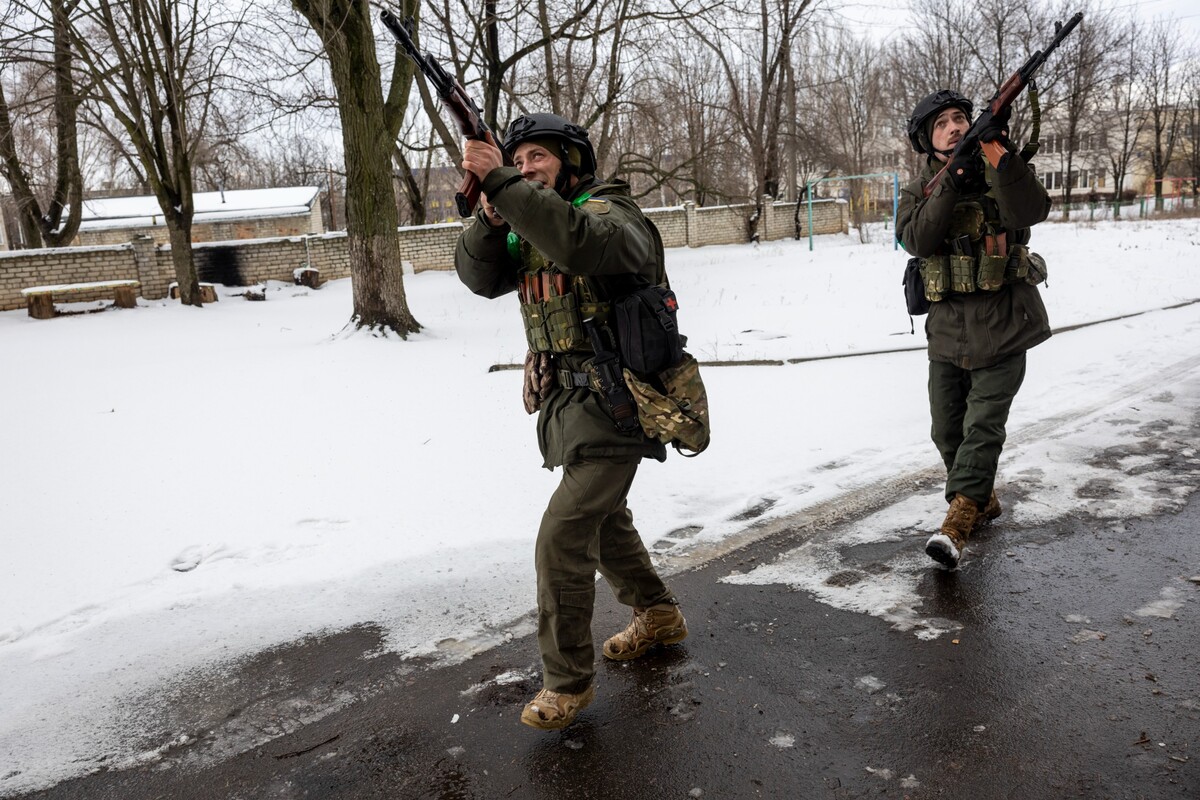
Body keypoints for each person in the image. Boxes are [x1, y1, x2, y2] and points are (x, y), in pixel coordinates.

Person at [454, 113, 688, 730]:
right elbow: (478, 277)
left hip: (623, 404)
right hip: (569, 409)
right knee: (605, 523)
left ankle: (568, 681)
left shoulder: (611, 216)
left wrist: (501, 182)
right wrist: (489, 215)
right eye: (518, 159)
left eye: (537, 157)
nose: (526, 168)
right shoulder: (528, 225)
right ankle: (658, 614)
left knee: (563, 534)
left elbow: (577, 241)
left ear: (571, 161)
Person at [897, 89, 1052, 569]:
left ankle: (956, 526)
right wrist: (950, 183)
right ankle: (982, 497)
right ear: (928, 139)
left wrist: (999, 157)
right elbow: (916, 239)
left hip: (1006, 323)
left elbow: (1031, 211)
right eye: (942, 123)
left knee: (982, 428)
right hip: (947, 330)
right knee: (948, 431)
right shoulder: (919, 187)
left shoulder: (998, 162)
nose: (955, 127)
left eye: (960, 118)